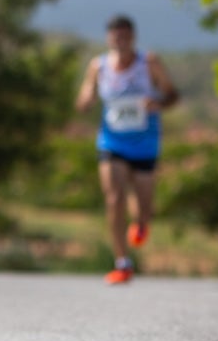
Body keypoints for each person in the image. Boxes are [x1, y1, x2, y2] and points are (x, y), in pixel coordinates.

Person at [75, 15, 179, 284]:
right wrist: (86, 100)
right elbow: (84, 98)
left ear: (133, 37)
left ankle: (141, 222)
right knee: (114, 197)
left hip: (145, 143)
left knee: (144, 208)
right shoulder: (98, 66)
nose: (120, 42)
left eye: (125, 37)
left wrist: (157, 104)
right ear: (109, 39)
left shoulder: (149, 63)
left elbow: (172, 94)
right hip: (112, 141)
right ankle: (122, 261)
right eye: (115, 37)